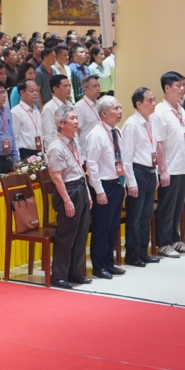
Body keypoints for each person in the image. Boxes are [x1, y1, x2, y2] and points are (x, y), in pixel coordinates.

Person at [47, 109, 92, 289]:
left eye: (76, 118)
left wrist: (87, 192)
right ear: (61, 123)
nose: (76, 121)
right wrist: (67, 200)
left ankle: (75, 273)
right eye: (72, 118)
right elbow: (57, 177)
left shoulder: (75, 141)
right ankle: (59, 276)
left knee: (81, 233)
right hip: (68, 190)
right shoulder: (56, 147)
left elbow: (80, 169)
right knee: (66, 236)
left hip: (80, 187)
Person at [151, 72, 185, 257]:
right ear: (167, 88)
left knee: (177, 206)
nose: (182, 89)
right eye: (178, 85)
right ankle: (163, 243)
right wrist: (163, 170)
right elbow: (158, 143)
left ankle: (174, 239)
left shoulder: (181, 109)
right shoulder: (160, 111)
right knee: (167, 206)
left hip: (183, 164)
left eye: (183, 85)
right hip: (170, 166)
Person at [83, 97, 125, 279]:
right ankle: (98, 265)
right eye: (116, 108)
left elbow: (121, 158)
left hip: (117, 183)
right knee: (102, 228)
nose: (120, 111)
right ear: (105, 113)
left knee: (113, 227)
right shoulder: (96, 134)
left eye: (120, 107)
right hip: (104, 186)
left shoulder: (117, 131)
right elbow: (91, 165)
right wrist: (99, 191)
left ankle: (109, 262)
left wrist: (124, 182)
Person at [121, 87, 160, 266]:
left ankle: (144, 251)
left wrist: (156, 174)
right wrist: (131, 182)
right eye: (149, 100)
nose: (153, 104)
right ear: (138, 104)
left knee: (146, 216)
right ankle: (133, 254)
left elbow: (153, 150)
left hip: (150, 172)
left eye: (154, 99)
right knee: (135, 217)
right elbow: (127, 157)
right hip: (137, 172)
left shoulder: (151, 121)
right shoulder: (131, 124)